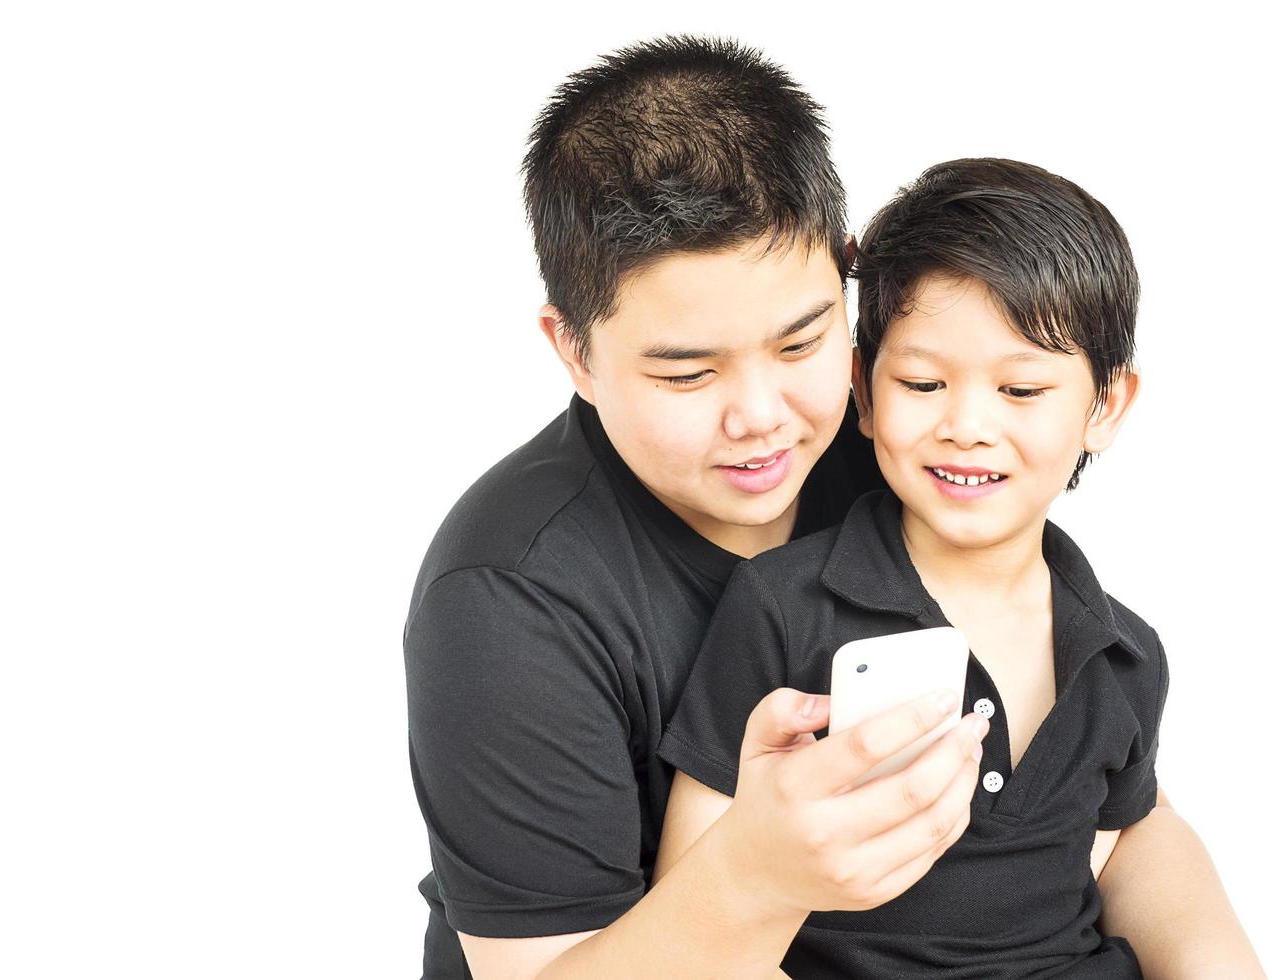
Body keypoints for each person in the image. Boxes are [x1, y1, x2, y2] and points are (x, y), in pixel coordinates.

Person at [403, 37, 988, 980]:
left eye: (800, 346)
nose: (761, 419)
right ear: (573, 350)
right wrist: (753, 874)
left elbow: (1117, 797)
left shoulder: (908, 452)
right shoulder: (508, 599)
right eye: (687, 371)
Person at [657, 158, 1265, 977]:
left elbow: (1121, 846)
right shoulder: (782, 607)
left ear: (1106, 406)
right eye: (923, 381)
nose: (968, 425)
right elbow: (694, 889)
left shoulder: (1126, 653)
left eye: (1020, 390)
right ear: (863, 397)